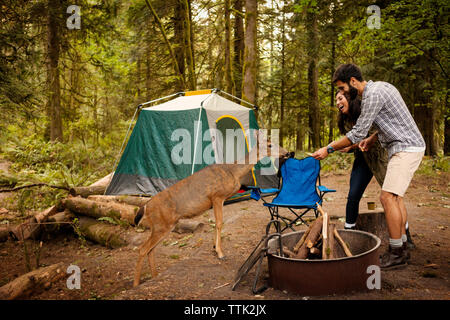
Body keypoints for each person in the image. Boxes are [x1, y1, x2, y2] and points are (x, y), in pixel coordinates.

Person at [312, 63, 425, 269]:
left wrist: (328, 149)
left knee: (387, 196)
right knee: (395, 197)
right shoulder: (382, 88)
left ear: (353, 82)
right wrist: (373, 138)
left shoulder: (372, 95)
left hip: (406, 148)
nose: (342, 93)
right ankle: (403, 247)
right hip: (406, 146)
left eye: (343, 88)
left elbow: (356, 133)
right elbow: (390, 122)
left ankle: (396, 251)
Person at [335, 91, 415, 249]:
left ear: (350, 99)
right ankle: (348, 232)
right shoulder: (345, 120)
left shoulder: (366, 112)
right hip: (362, 160)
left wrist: (349, 145)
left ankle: (407, 236)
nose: (337, 102)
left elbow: (372, 136)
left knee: (394, 197)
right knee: (353, 195)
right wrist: (348, 148)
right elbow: (353, 142)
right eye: (336, 100)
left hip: (381, 157)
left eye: (340, 98)